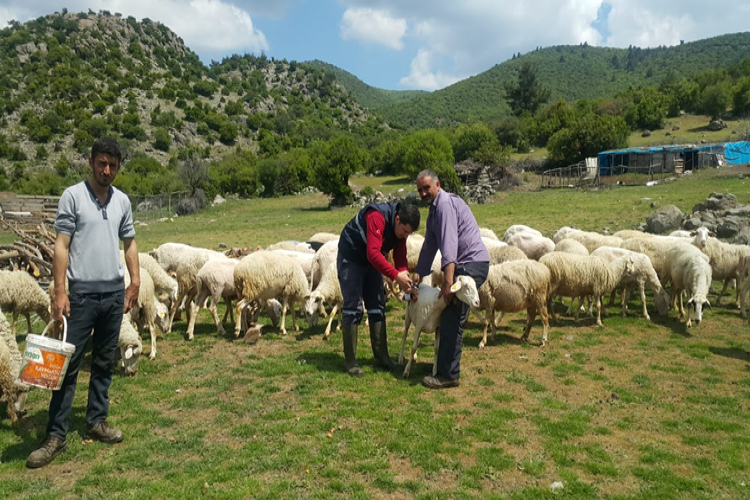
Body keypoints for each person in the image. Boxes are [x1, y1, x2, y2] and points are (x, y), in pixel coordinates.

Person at [27, 138, 140, 469]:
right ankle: (55, 435)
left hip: (113, 294)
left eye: (113, 165)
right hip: (80, 295)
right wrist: (60, 291)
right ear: (91, 162)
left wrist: (135, 282)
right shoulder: (73, 196)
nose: (107, 170)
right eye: (102, 163)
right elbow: (61, 246)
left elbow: (130, 243)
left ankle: (96, 420)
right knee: (67, 364)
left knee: (104, 362)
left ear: (118, 168)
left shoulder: (122, 201)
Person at [414, 169, 489, 389]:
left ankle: (448, 375)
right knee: (449, 314)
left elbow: (448, 247)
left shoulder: (445, 205)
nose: (423, 193)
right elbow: (429, 246)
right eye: (420, 190)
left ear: (437, 185)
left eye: (427, 188)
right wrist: (418, 275)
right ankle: (443, 365)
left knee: (451, 315)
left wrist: (448, 283)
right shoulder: (434, 212)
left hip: (470, 265)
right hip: (463, 264)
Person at [337, 201, 421, 376]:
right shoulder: (377, 217)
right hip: (351, 257)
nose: (406, 236)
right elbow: (373, 253)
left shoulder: (400, 233)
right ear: (397, 219)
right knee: (353, 307)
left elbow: (400, 256)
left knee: (377, 304)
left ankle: (382, 356)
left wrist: (404, 277)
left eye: (409, 234)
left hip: (370, 261)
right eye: (405, 231)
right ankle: (351, 361)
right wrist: (395, 275)